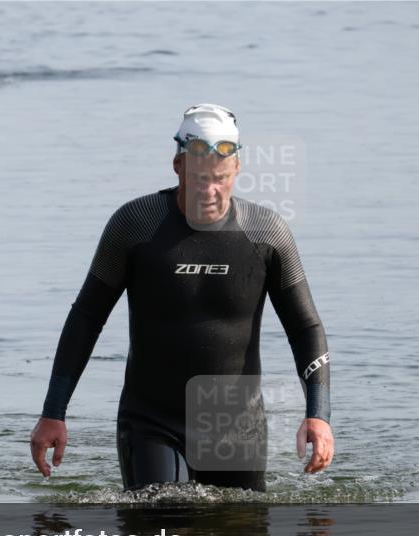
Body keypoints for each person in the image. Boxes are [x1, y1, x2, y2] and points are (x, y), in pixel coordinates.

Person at [30, 103, 334, 491]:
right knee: (162, 527)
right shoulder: (136, 225)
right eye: (199, 178)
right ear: (177, 166)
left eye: (220, 179)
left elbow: (305, 326)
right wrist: (53, 412)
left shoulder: (266, 233)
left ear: (238, 169)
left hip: (236, 428)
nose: (210, 191)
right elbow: (87, 316)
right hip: (151, 421)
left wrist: (318, 415)